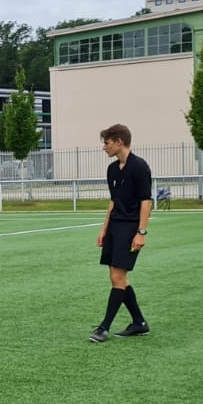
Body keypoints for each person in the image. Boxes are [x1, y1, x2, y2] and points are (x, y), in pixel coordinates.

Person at [90, 124, 152, 342]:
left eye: (106, 143)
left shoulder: (140, 167)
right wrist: (104, 229)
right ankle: (139, 323)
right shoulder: (112, 170)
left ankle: (103, 328)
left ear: (119, 142)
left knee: (117, 277)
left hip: (130, 228)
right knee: (118, 278)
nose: (104, 147)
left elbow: (146, 202)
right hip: (115, 227)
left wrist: (141, 232)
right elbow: (113, 202)